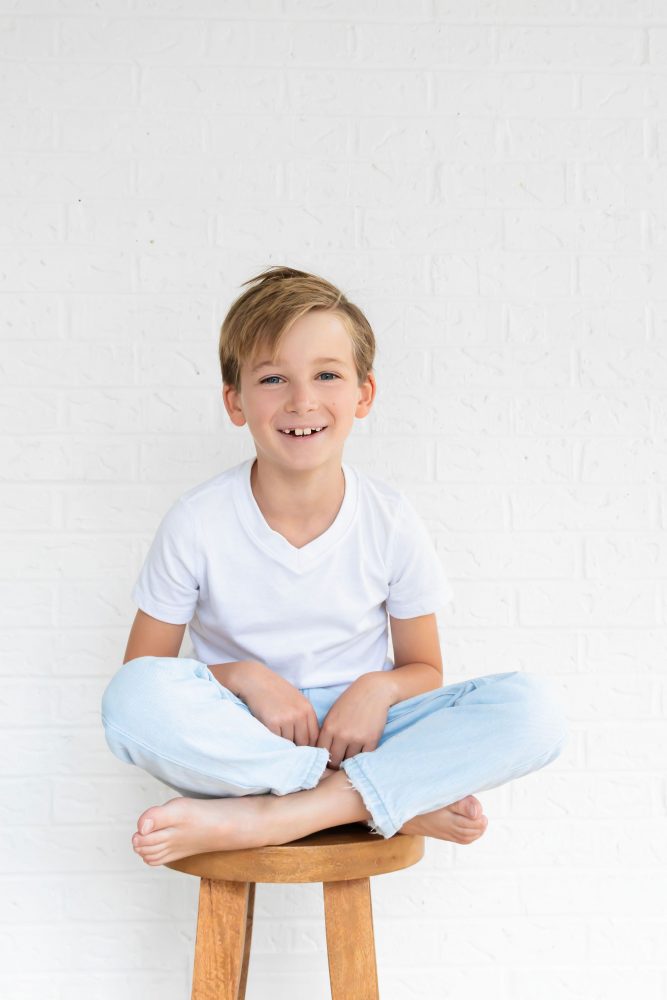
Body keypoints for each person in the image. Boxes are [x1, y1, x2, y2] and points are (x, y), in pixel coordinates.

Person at [100, 265, 568, 868]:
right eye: (273, 378)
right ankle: (373, 798)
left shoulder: (390, 518)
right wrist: (245, 678)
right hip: (249, 734)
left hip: (368, 734)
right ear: (235, 402)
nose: (302, 401)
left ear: (363, 394)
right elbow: (144, 672)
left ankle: (277, 813)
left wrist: (377, 689)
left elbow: (425, 669)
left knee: (535, 712)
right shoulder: (197, 520)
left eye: (327, 374)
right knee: (130, 701)